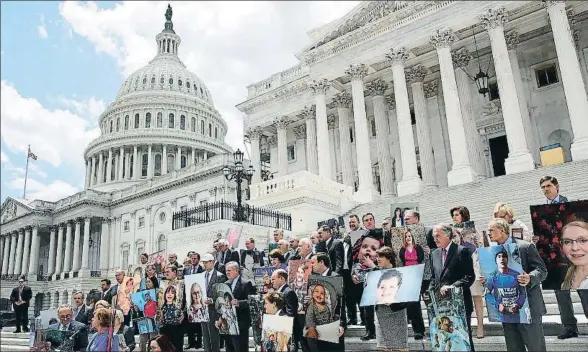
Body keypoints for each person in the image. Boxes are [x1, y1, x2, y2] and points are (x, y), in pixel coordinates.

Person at [482, 218, 547, 351]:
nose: (488, 233)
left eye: (491, 230)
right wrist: (487, 279)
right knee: (514, 347)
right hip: (507, 311)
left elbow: (542, 270)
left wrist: (530, 277)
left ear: (501, 230)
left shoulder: (525, 246)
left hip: (528, 307)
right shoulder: (491, 252)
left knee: (536, 347)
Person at [538, 175, 583, 340]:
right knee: (561, 295)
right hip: (554, 257)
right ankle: (569, 327)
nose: (546, 189)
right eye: (543, 187)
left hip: (575, 254)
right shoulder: (541, 211)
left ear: (557, 186)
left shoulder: (571, 206)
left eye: (548, 186)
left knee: (584, 291)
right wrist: (538, 238)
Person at [429, 224, 476, 351]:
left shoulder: (462, 251)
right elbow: (434, 278)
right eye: (434, 236)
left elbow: (469, 276)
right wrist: (430, 289)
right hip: (442, 306)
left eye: (438, 235)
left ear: (448, 235)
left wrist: (453, 287)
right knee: (446, 341)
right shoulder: (434, 254)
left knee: (463, 339)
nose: (435, 239)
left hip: (459, 304)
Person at [451, 205, 486, 339]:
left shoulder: (472, 229)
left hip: (473, 264)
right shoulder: (452, 230)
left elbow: (480, 244)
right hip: (459, 267)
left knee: (477, 297)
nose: (454, 217)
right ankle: (465, 326)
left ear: (464, 216)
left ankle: (480, 326)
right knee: (462, 298)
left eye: (457, 215)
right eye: (453, 215)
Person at [306, 252, 346, 351]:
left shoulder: (334, 276)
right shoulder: (314, 278)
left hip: (332, 322)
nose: (311, 265)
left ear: (322, 262)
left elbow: (341, 303)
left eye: (313, 262)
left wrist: (341, 324)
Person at [374, 246, 409, 351]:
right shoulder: (375, 273)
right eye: (377, 256)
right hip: (381, 312)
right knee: (384, 347)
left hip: (397, 313)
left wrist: (393, 301)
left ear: (389, 258)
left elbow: (407, 295)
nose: (378, 259)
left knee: (401, 347)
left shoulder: (401, 273)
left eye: (381, 256)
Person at [351, 229, 383, 341]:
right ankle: (370, 331)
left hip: (380, 291)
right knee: (367, 312)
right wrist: (353, 277)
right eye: (365, 247)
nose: (368, 250)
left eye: (373, 249)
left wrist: (372, 265)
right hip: (364, 291)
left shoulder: (380, 263)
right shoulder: (357, 264)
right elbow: (354, 273)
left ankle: (379, 332)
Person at [484, 249, 527, 324]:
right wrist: (498, 305)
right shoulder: (492, 277)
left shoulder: (516, 275)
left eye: (504, 256)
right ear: (496, 261)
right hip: (501, 315)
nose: (502, 259)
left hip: (515, 314)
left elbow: (523, 292)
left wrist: (518, 304)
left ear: (507, 259)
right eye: (499, 257)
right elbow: (487, 293)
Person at [397, 230, 426, 340]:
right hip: (407, 276)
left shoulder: (417, 247)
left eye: (410, 236)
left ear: (412, 237)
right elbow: (402, 261)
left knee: (416, 303)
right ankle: (416, 330)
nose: (408, 238)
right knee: (411, 303)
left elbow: (421, 259)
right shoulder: (402, 249)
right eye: (406, 236)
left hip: (417, 275)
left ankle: (420, 329)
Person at [222, 261, 256, 352]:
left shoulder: (246, 283)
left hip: (241, 322)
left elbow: (251, 301)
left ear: (236, 270)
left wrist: (239, 303)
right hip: (229, 323)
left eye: (229, 270)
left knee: (241, 348)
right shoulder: (226, 284)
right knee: (229, 348)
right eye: (226, 271)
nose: (227, 272)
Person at [201, 253, 226, 352]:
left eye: (206, 262)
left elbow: (222, 295)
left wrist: (212, 300)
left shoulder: (220, 276)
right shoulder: (201, 276)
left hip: (214, 310)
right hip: (203, 310)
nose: (204, 264)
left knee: (214, 337)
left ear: (212, 262)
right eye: (203, 262)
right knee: (205, 337)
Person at [272, 268, 301, 351]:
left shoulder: (288, 292)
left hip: (289, 333)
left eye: (273, 279)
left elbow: (290, 314)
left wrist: (276, 317)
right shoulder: (279, 292)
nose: (272, 281)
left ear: (281, 278)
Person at [158, 266, 185, 352]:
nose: (166, 273)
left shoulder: (181, 284)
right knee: (164, 347)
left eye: (168, 271)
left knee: (177, 347)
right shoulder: (162, 284)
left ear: (174, 272)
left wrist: (184, 312)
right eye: (165, 272)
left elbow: (187, 301)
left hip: (177, 324)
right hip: (164, 324)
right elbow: (160, 303)